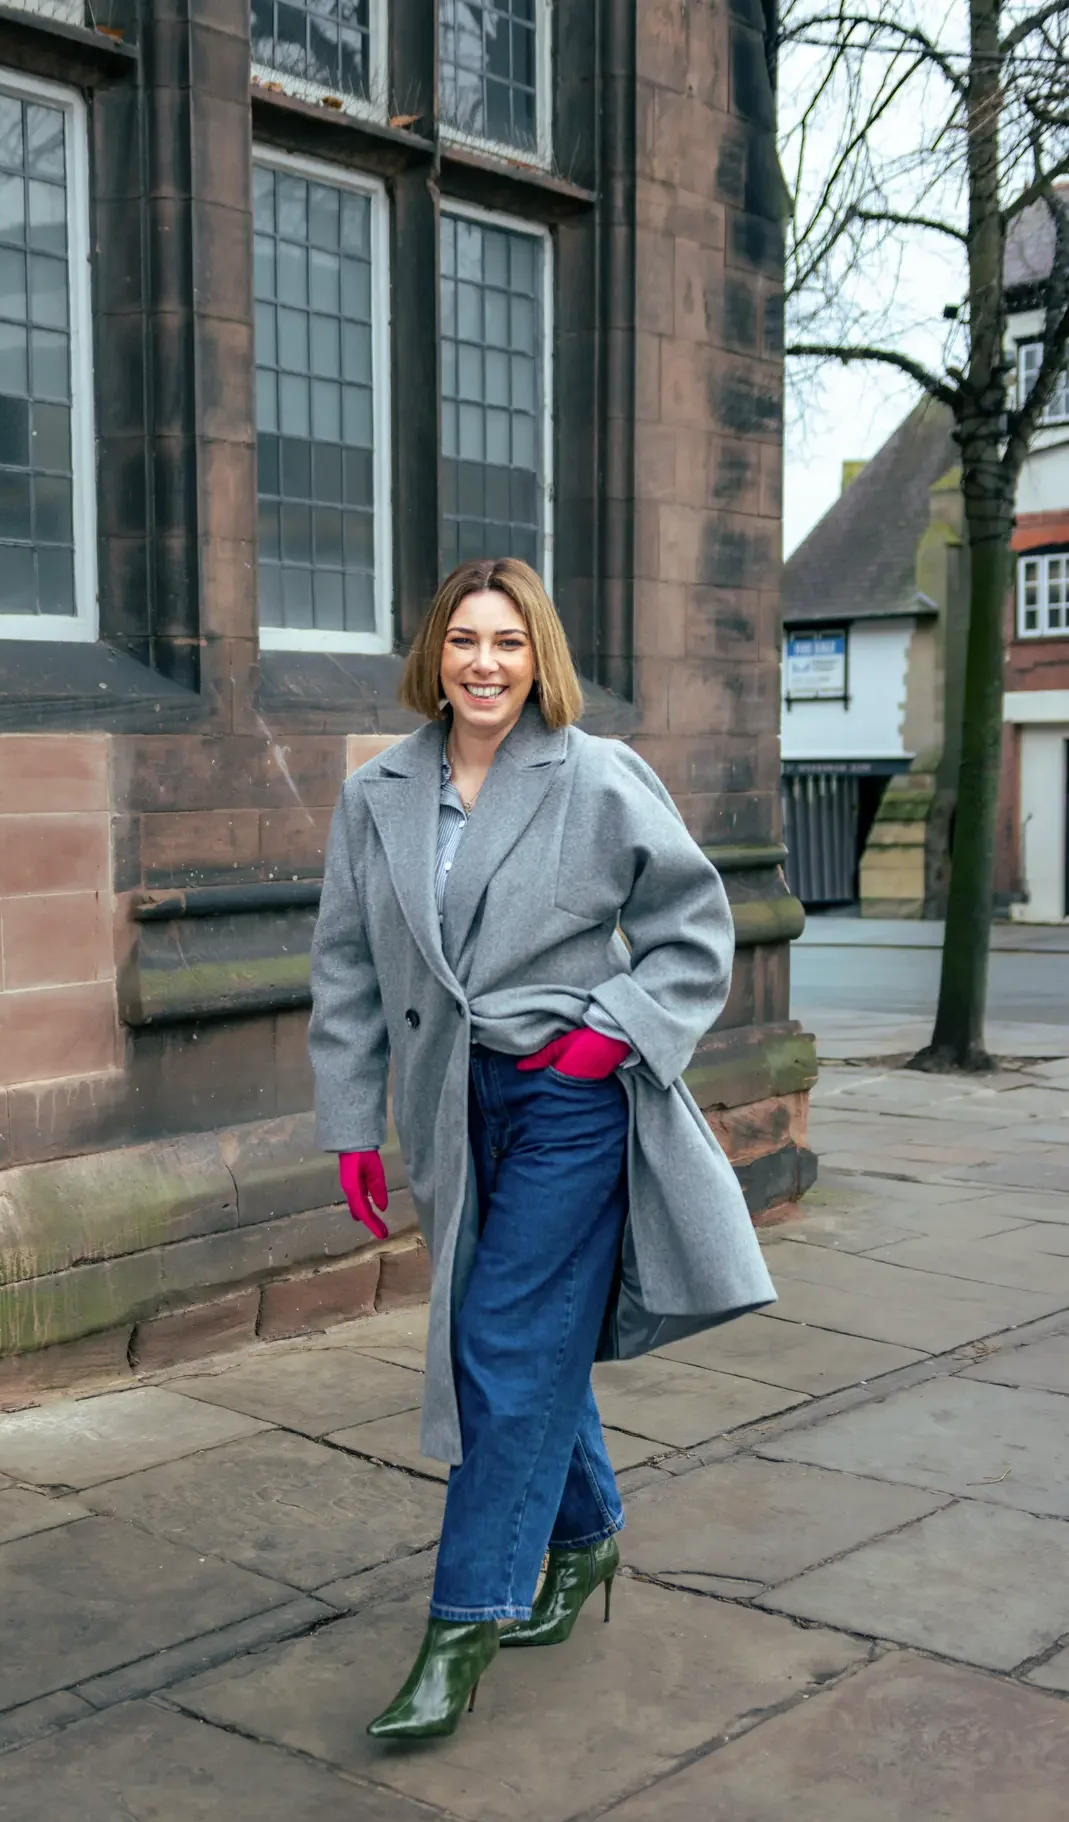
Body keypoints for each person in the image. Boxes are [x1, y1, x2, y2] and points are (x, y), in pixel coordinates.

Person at [309, 558, 776, 1741]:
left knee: (502, 1345)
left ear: (539, 655)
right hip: (449, 1111)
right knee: (510, 1336)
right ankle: (586, 1534)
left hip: (568, 1100)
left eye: (508, 642)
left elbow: (694, 928)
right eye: (464, 638)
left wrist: (603, 1035)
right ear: (435, 652)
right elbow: (348, 967)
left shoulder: (598, 775)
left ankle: (460, 1627)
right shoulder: (379, 794)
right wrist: (352, 1120)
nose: (483, 662)